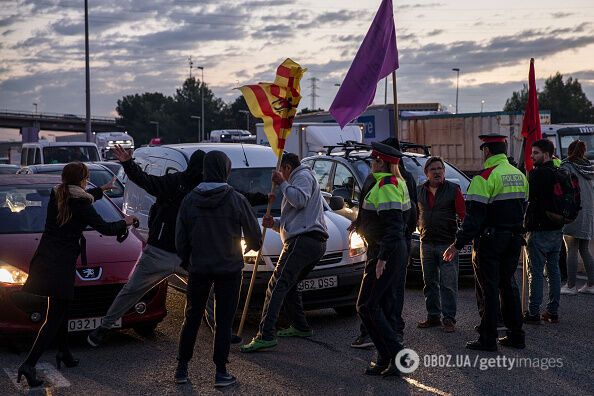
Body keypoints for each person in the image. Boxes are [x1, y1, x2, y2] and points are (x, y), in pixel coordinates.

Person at [18, 162, 136, 387]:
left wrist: (101, 190)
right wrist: (126, 222)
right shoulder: (79, 201)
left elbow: (81, 197)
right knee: (54, 317)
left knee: (61, 309)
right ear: (82, 179)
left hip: (48, 259)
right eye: (86, 178)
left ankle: (64, 353)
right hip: (61, 265)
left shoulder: (59, 194)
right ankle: (29, 365)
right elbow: (104, 228)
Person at [87, 145, 205, 347]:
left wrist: (128, 163)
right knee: (209, 289)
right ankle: (104, 327)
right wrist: (128, 164)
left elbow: (146, 181)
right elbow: (146, 181)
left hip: (177, 252)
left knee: (131, 290)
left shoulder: (201, 188)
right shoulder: (181, 184)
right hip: (170, 252)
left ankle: (102, 329)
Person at [174, 151, 262, 387]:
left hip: (199, 268)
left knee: (191, 317)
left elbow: (180, 239)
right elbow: (255, 236)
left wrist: (188, 260)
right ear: (226, 169)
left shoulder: (190, 200)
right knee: (224, 321)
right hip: (229, 268)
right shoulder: (236, 199)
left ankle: (182, 368)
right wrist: (251, 246)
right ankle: (221, 372)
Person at [444, 133, 527, 351]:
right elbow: (523, 209)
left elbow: (473, 219)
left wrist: (457, 244)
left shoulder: (484, 177)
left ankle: (488, 339)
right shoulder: (518, 175)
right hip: (514, 239)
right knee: (508, 286)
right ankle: (516, 335)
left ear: (487, 151)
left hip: (490, 241)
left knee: (489, 289)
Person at [240, 153, 328, 353]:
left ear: (287, 168)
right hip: (309, 241)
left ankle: (265, 335)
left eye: (281, 171)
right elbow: (296, 217)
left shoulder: (302, 176)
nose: (280, 175)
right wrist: (275, 225)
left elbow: (299, 201)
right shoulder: (300, 178)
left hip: (303, 241)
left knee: (276, 284)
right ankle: (300, 325)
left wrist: (282, 183)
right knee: (290, 284)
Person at [352, 142, 410, 377]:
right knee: (379, 306)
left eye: (373, 161)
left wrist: (382, 259)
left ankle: (395, 354)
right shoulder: (390, 183)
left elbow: (394, 226)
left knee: (366, 306)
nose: (371, 164)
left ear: (382, 162)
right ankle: (386, 356)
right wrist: (359, 225)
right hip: (389, 250)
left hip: (385, 252)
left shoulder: (386, 185)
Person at [417, 156, 465, 333]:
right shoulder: (419, 191)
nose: (437, 172)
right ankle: (433, 317)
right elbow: (415, 214)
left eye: (440, 169)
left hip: (447, 243)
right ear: (426, 173)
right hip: (426, 243)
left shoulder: (453, 189)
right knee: (429, 283)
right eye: (433, 169)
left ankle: (449, 319)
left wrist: (460, 239)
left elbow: (463, 215)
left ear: (444, 172)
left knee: (448, 283)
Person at [523, 139, 565, 324]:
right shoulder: (559, 172)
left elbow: (529, 199)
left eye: (536, 153)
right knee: (554, 270)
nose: (532, 156)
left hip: (539, 229)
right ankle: (552, 311)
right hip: (557, 228)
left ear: (546, 154)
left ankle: (533, 313)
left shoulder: (537, 174)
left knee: (536, 272)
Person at [560, 140, 594, 294]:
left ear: (570, 151)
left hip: (573, 212)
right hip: (588, 212)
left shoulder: (566, 166)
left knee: (571, 248)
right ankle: (591, 285)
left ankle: (571, 285)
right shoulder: (589, 167)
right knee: (585, 249)